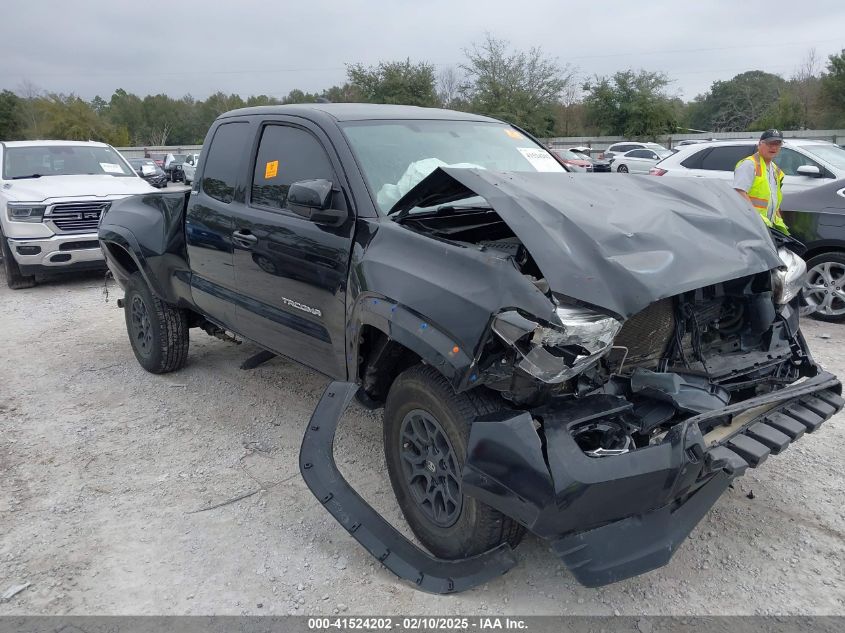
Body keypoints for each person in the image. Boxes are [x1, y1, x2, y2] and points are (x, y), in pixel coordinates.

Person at [733, 129, 789, 234]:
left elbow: (773, 201)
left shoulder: (775, 169)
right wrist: (757, 219)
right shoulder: (749, 164)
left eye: (778, 144)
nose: (774, 147)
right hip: (752, 225)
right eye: (770, 143)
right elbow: (739, 193)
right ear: (760, 144)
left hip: (767, 226)